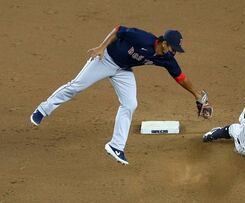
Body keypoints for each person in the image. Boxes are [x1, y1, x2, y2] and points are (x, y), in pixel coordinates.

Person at [30, 25, 212, 165]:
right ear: (164, 43)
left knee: (130, 104)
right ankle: (42, 110)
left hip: (123, 71)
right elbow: (119, 30)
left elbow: (180, 77)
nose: (175, 53)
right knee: (76, 86)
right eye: (174, 49)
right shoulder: (142, 38)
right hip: (105, 59)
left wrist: (196, 94)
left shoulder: (166, 59)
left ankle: (116, 146)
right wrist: (101, 47)